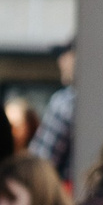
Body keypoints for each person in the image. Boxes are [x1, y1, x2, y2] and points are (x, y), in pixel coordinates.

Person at [29, 47, 77, 184]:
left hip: (70, 192)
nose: (60, 61)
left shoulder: (65, 103)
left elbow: (40, 165)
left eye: (66, 54)